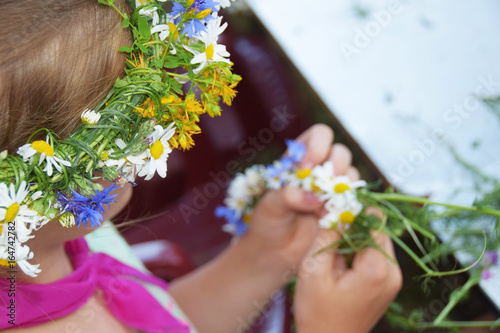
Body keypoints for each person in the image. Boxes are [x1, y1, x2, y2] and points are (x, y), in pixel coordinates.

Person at [0, 0, 402, 332]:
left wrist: (266, 255)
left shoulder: (49, 238)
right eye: (121, 129)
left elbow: (161, 319)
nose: (157, 135)